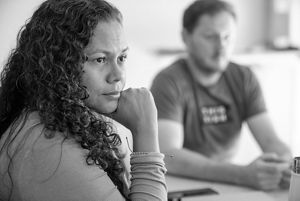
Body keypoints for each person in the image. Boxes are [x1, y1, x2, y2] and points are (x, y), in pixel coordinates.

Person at [0, 0, 167, 200]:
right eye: (100, 59)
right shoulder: (50, 147)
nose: (117, 76)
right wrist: (146, 130)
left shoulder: (64, 122)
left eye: (122, 58)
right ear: (60, 65)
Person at [150, 0, 292, 191]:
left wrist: (286, 164)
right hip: (182, 185)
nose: (221, 46)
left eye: (228, 37)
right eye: (210, 37)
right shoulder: (168, 81)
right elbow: (169, 155)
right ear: (186, 37)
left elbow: (270, 141)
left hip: (228, 184)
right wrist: (241, 174)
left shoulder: (243, 77)